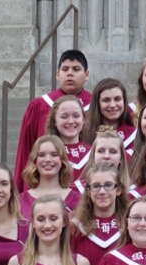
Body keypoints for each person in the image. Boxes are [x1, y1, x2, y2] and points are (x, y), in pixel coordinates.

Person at [13, 50, 91, 191]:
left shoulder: (97, 105)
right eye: (65, 69)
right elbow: (26, 151)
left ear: (87, 75)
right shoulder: (39, 106)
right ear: (57, 74)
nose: (70, 73)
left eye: (76, 69)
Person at [72, 164, 128, 265]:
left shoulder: (130, 225)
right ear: (88, 192)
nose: (102, 192)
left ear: (118, 190)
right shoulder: (75, 227)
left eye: (108, 185)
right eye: (96, 186)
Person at [19, 135, 79, 219]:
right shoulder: (20, 201)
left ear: (62, 160)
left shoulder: (78, 200)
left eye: (54, 154)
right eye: (41, 155)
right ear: (35, 160)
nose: (47, 159)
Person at [44, 94, 91, 177]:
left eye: (76, 116)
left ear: (83, 119)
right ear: (55, 121)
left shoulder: (93, 153)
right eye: (64, 117)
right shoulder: (44, 155)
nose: (71, 121)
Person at [83, 78, 135, 148]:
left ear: (124, 101)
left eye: (117, 99)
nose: (113, 105)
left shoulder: (135, 135)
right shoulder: (84, 135)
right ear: (97, 103)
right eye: (106, 100)